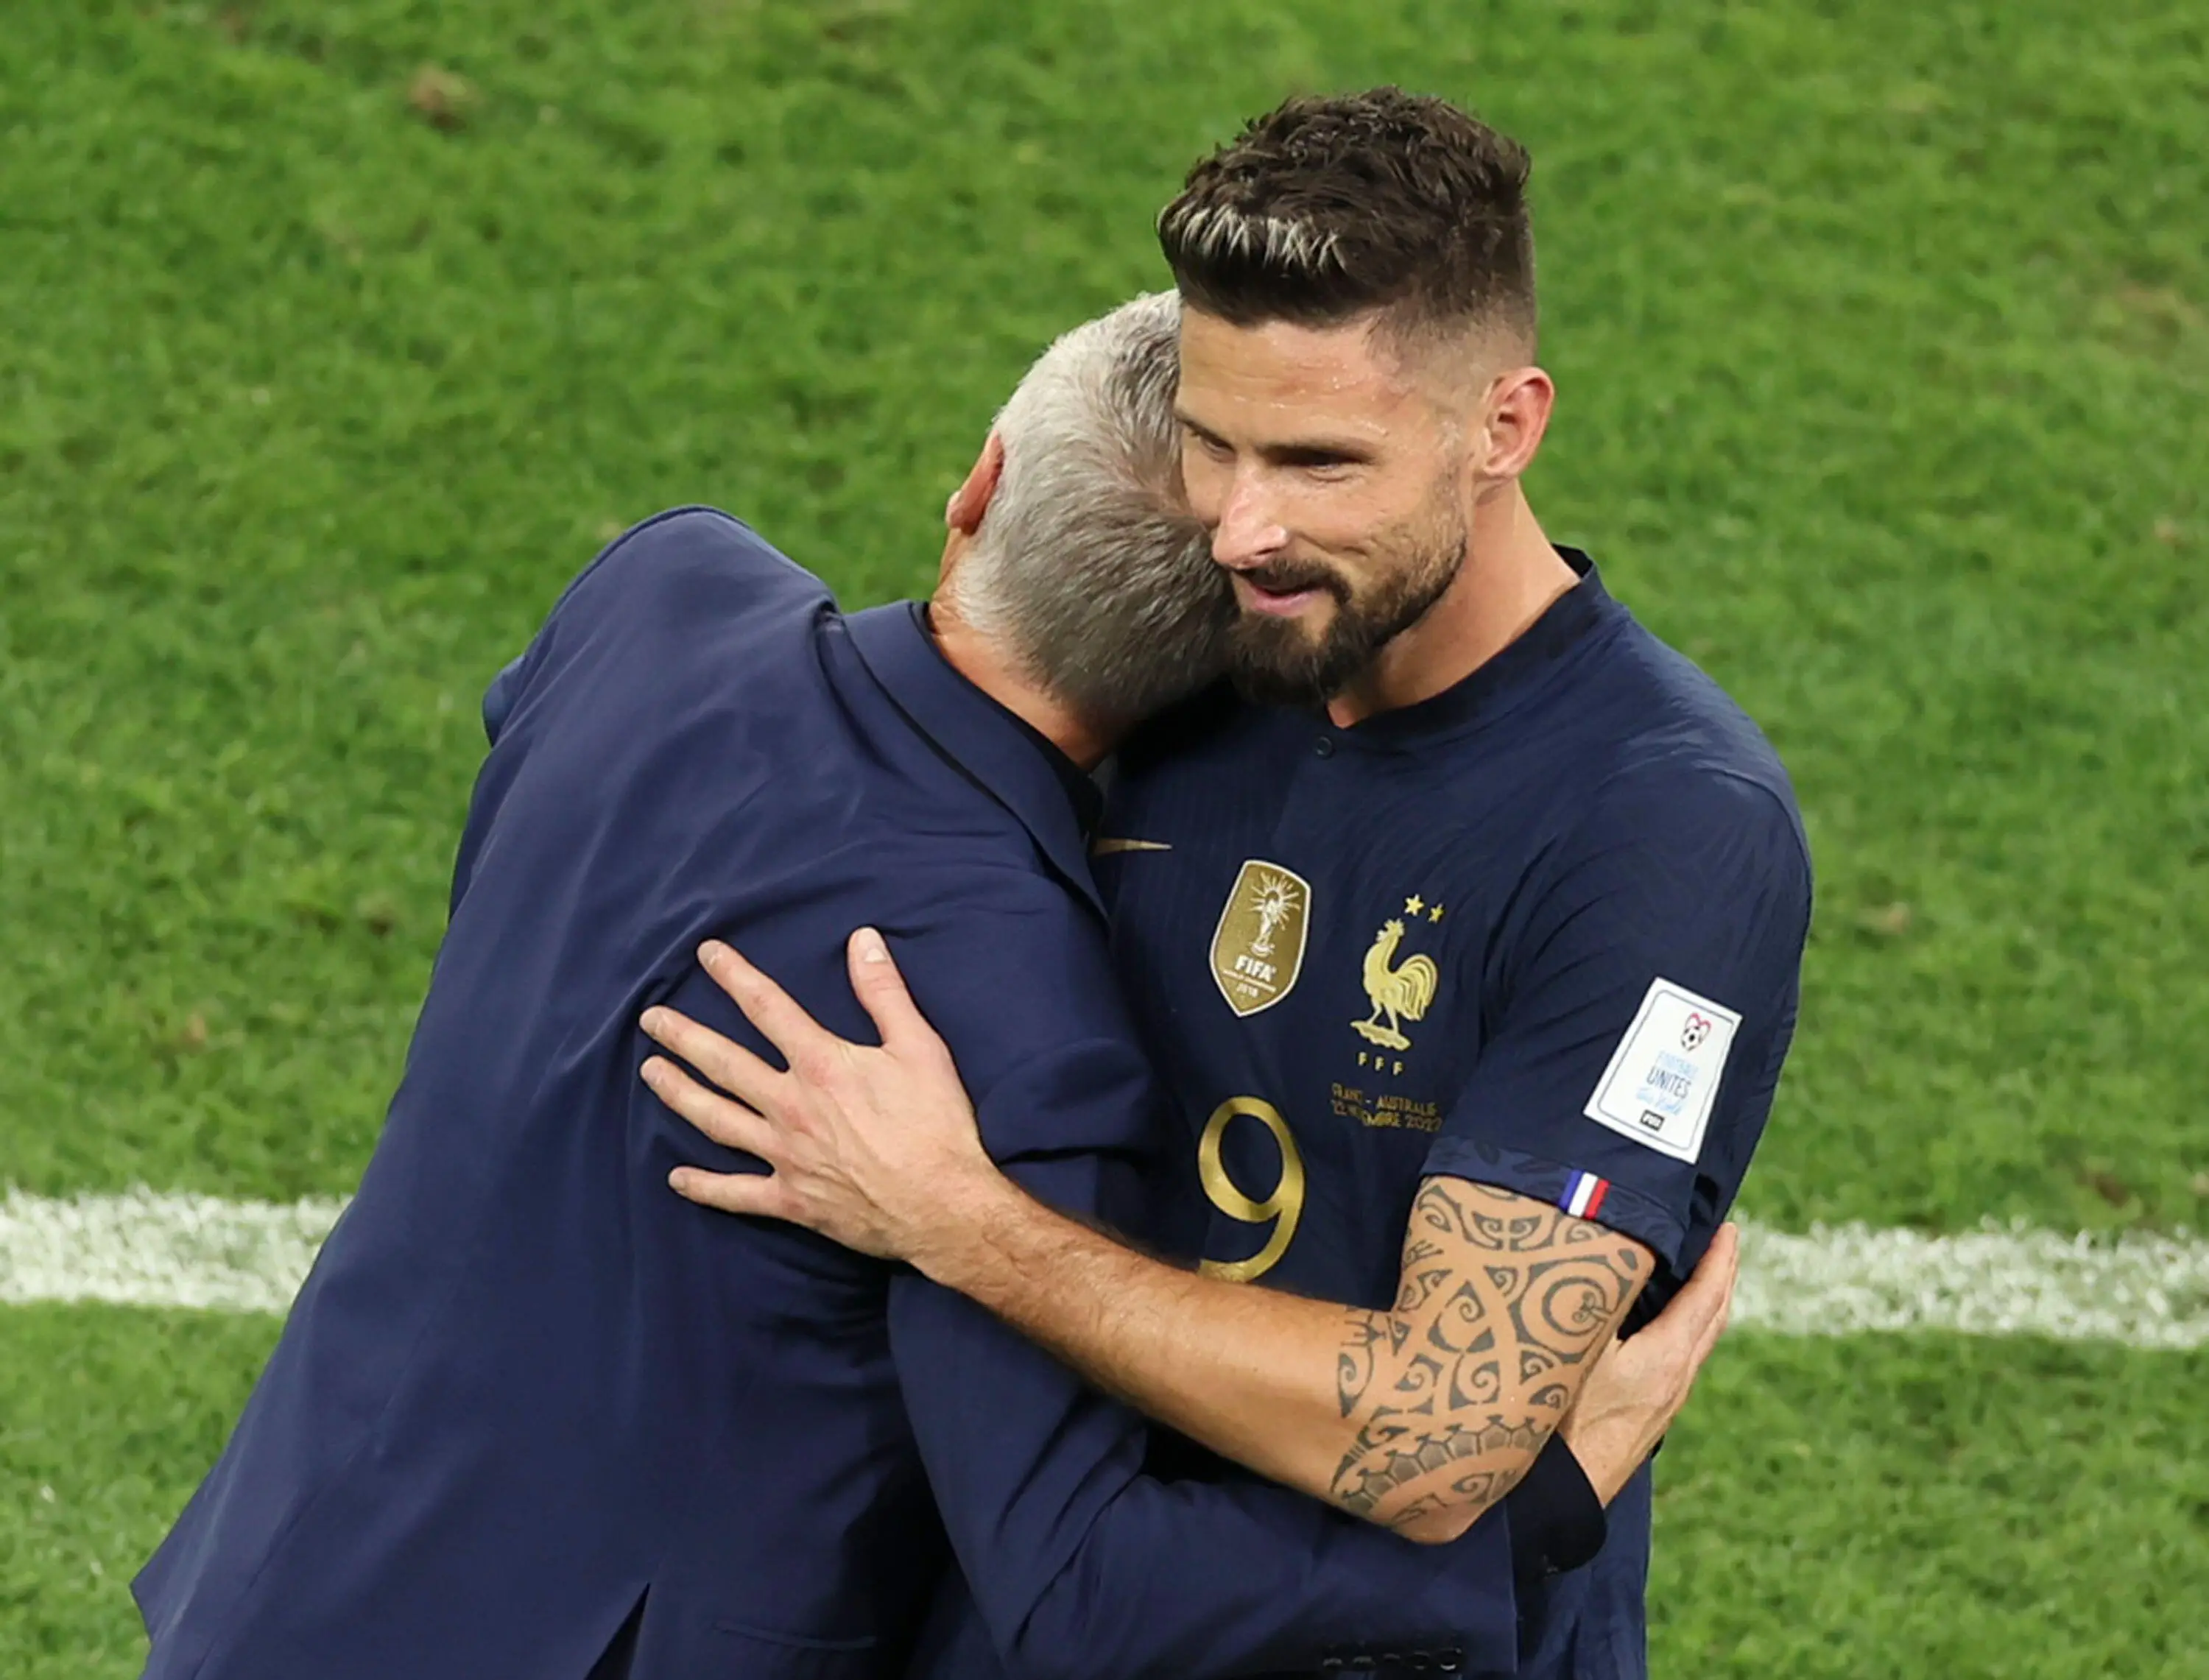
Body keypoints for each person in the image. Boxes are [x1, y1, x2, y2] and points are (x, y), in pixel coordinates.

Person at [131, 292, 1726, 1680]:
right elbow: (1083, 1587)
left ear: (980, 484)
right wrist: (1532, 1507)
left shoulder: (658, 602)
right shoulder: (1017, 1030)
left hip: (281, 1588)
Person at [643, 89, 1811, 1680]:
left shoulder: (1663, 825)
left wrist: (960, 1221)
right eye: (1214, 439)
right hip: (1028, 1616)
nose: (1243, 528)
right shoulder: (1187, 664)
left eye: (1321, 461)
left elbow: (1438, 1437)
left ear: (1505, 425)